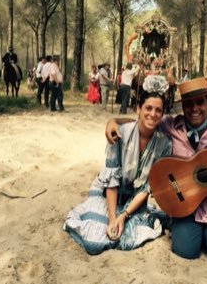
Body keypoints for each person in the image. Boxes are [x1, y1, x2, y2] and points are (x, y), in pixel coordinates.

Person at [105, 77, 207, 266]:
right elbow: (145, 119)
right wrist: (113, 121)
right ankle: (191, 232)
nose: (194, 108)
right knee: (185, 252)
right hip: (183, 208)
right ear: (183, 107)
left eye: (200, 102)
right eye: (188, 104)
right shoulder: (171, 125)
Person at [63, 75, 172, 254]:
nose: (153, 114)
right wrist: (113, 218)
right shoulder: (119, 133)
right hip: (108, 193)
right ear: (138, 108)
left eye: (158, 110)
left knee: (128, 237)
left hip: (135, 201)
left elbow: (147, 188)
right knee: (94, 242)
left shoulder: (165, 144)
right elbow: (111, 181)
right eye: (148, 108)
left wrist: (124, 216)